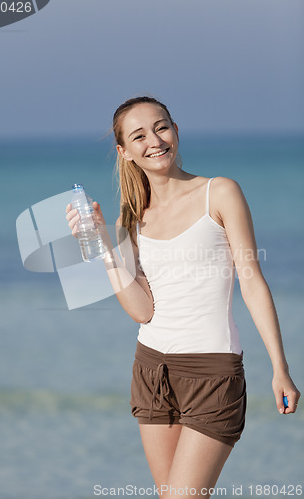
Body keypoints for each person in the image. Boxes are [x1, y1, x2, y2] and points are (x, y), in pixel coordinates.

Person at [66, 96, 300, 498]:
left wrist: (280, 367)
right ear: (124, 152)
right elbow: (142, 311)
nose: (154, 140)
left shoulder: (220, 193)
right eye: (138, 136)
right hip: (151, 370)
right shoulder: (130, 219)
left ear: (176, 130)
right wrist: (104, 244)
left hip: (213, 373)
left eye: (161, 127)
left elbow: (252, 281)